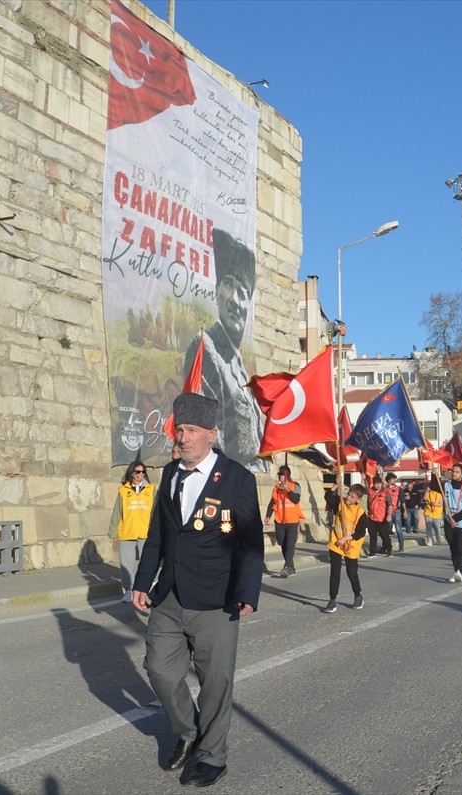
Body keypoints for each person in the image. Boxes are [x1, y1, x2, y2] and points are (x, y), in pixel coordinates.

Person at [131, 393, 263, 788]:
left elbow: (250, 541)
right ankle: (189, 733)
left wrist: (247, 592)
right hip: (169, 593)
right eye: (179, 430)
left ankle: (212, 756)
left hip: (216, 598)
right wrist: (142, 582)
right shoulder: (171, 475)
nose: (182, 438)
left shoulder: (238, 478)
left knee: (216, 683)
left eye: (189, 431)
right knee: (159, 669)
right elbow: (158, 534)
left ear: (210, 433)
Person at [184, 228, 265, 472]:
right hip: (224, 478)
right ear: (217, 292)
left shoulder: (239, 365)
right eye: (229, 285)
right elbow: (209, 434)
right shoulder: (206, 347)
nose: (235, 300)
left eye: (243, 293)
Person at [109, 460, 156, 603]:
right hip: (127, 531)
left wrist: (156, 530)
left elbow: (155, 511)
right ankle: (128, 590)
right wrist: (112, 531)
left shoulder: (151, 489)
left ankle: (146, 590)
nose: (141, 474)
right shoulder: (123, 490)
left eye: (143, 472)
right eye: (138, 471)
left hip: (145, 532)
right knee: (126, 563)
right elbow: (117, 511)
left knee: (147, 562)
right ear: (132, 473)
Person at [323, 483, 370, 613]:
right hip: (336, 542)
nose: (348, 498)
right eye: (348, 494)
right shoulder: (340, 503)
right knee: (335, 573)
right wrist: (335, 485)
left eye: (352, 497)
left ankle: (358, 596)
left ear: (358, 500)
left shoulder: (361, 514)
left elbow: (360, 533)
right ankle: (332, 601)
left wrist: (346, 538)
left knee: (351, 572)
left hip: (351, 545)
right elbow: (327, 497)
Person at [264, 464, 304, 578]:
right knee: (283, 544)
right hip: (279, 520)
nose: (280, 477)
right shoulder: (276, 488)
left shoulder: (295, 485)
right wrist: (268, 516)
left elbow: (296, 500)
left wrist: (288, 490)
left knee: (290, 544)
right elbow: (272, 502)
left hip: (292, 520)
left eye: (282, 475)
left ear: (287, 475)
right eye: (279, 475)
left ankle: (287, 566)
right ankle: (291, 567)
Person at [364, 476, 395, 557]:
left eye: (379, 484)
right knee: (372, 536)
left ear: (381, 484)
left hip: (382, 518)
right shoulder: (370, 491)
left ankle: (389, 550)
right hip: (371, 517)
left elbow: (390, 505)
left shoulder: (385, 493)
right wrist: (364, 478)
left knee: (384, 535)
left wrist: (389, 515)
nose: (377, 485)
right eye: (376, 484)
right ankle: (372, 552)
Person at [423, 472, 445, 547]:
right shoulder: (429, 492)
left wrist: (436, 504)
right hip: (428, 512)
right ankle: (429, 540)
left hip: (437, 513)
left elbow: (441, 503)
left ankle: (438, 539)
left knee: (437, 528)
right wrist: (427, 490)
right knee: (428, 527)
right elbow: (425, 498)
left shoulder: (439, 494)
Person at [386, 473, 405, 551]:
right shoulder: (385, 489)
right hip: (388, 512)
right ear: (388, 480)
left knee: (399, 530)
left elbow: (402, 500)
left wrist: (405, 511)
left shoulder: (399, 489)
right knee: (387, 530)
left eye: (394, 479)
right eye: (392, 479)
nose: (394, 480)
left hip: (397, 511)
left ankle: (401, 546)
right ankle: (387, 546)